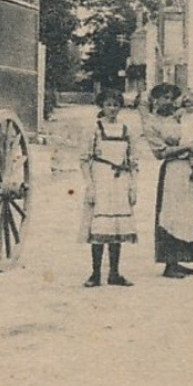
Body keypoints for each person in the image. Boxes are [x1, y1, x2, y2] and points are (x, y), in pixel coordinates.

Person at [142, 83, 193, 279]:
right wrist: (186, 146)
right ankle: (169, 262)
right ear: (155, 99)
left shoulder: (181, 116)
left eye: (171, 97)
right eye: (163, 97)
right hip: (172, 170)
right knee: (171, 214)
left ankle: (183, 258)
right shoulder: (151, 123)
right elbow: (159, 152)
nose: (168, 101)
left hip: (190, 167)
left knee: (189, 212)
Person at [80, 88, 138, 287]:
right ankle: (95, 274)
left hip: (121, 181)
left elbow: (133, 161)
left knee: (117, 227)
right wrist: (90, 186)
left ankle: (114, 273)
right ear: (102, 106)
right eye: (108, 104)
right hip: (101, 179)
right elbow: (84, 159)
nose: (112, 109)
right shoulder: (94, 129)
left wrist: (133, 187)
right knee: (100, 226)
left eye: (116, 105)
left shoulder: (126, 129)